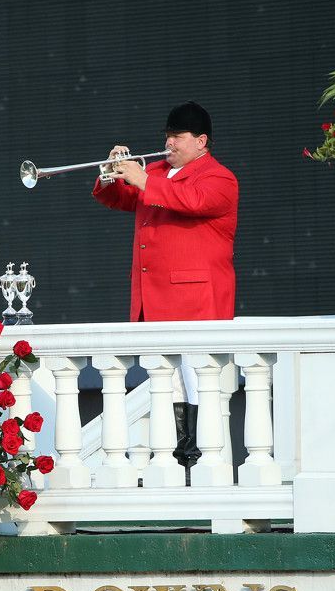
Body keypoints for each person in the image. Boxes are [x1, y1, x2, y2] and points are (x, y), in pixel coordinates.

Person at [92, 101, 238, 471]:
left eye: (178, 137)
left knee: (197, 382)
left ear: (202, 141)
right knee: (167, 384)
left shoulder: (219, 177)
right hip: (156, 299)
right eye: (167, 136)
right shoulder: (156, 172)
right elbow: (116, 199)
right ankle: (180, 459)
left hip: (195, 302)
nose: (169, 143)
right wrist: (109, 174)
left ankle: (202, 460)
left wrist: (143, 179)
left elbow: (192, 202)